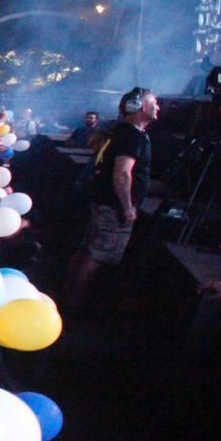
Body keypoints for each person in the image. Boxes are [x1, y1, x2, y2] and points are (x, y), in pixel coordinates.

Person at [65, 86, 156, 309]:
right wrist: (127, 207)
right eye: (154, 103)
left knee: (87, 250)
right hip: (114, 207)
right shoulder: (132, 136)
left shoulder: (120, 131)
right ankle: (75, 307)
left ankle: (67, 297)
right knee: (98, 256)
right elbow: (122, 173)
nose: (158, 108)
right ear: (141, 107)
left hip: (103, 202)